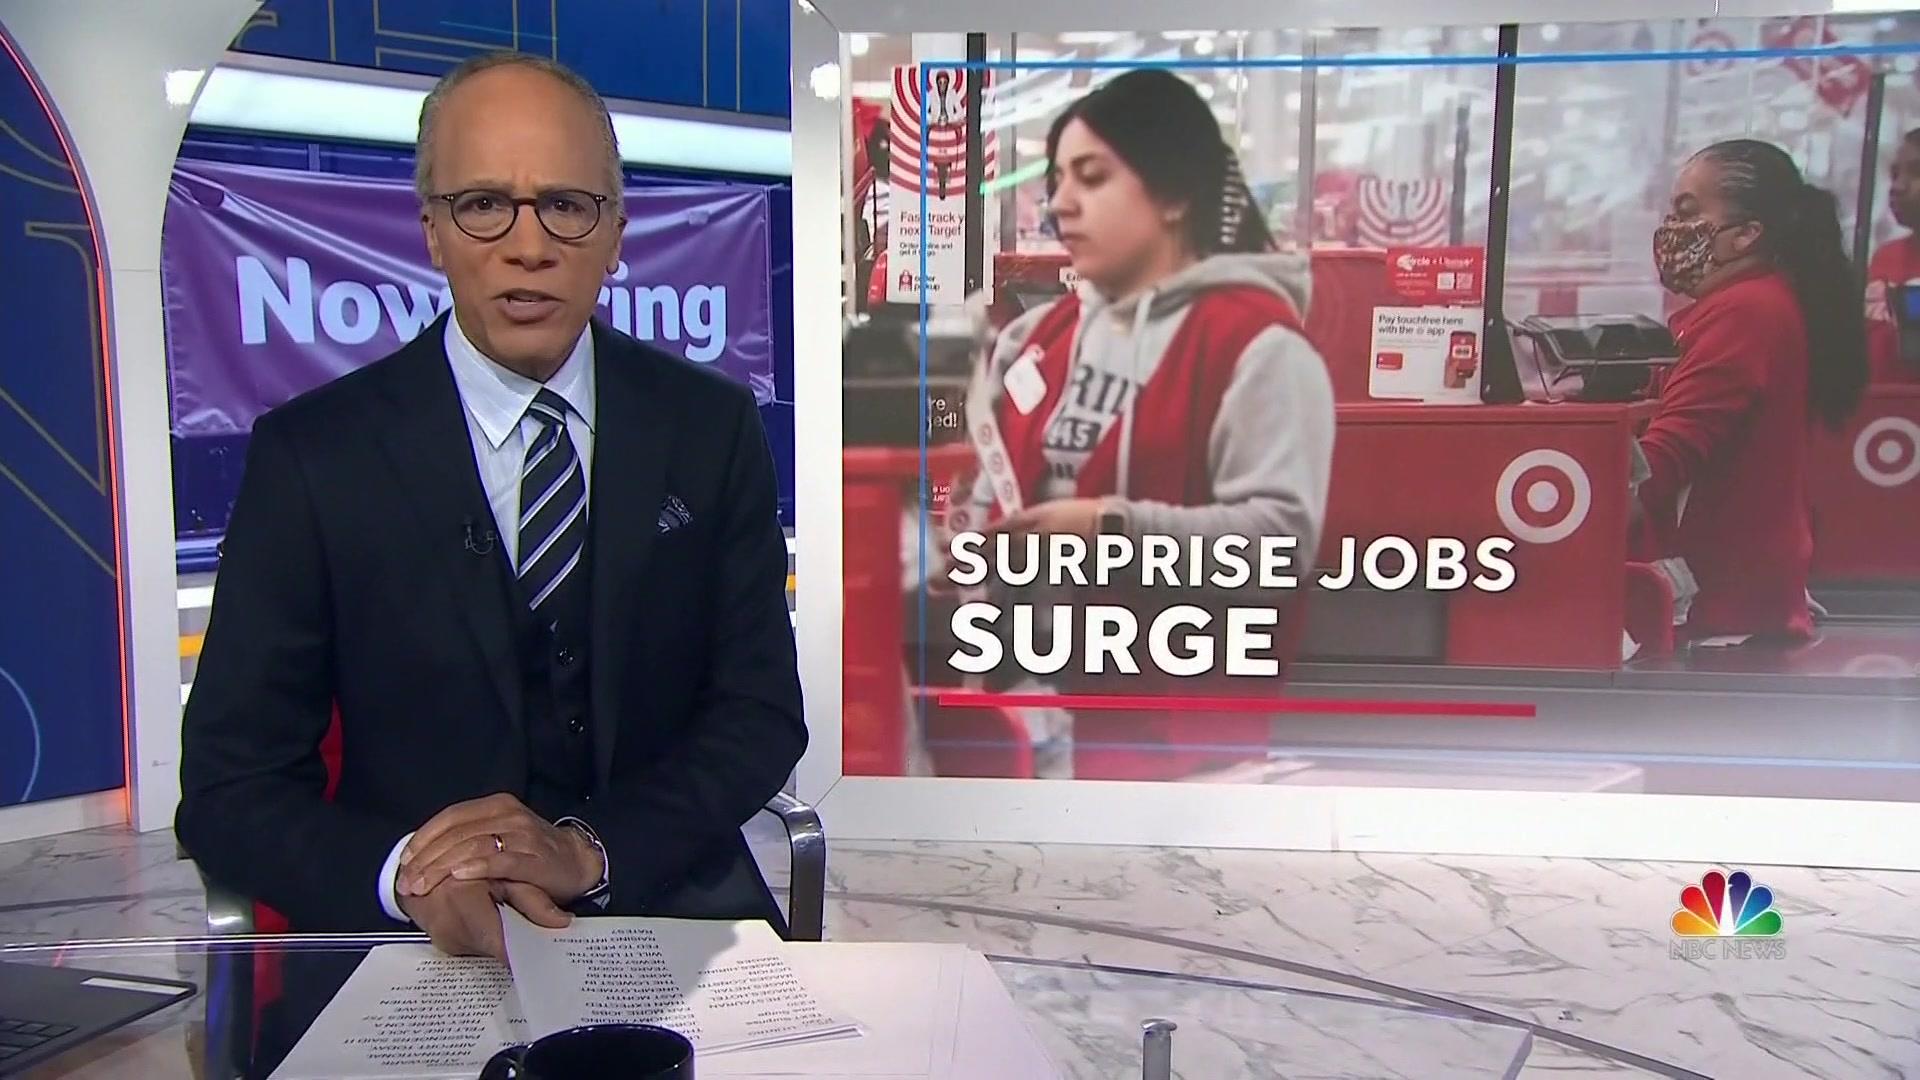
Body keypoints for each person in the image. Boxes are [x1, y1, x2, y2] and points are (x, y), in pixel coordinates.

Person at [176, 51, 805, 963]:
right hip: (416, 940)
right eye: (483, 204)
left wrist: (591, 851)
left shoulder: (711, 428)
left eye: (567, 205)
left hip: (665, 897)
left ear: (615, 231)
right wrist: (408, 874)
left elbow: (760, 714)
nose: (529, 246)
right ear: (432, 230)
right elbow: (230, 789)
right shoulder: (313, 457)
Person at [945, 69, 1335, 779]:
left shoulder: (1260, 349)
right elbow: (989, 492)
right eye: (1056, 180)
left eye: (1091, 178)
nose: (1060, 203)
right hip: (1025, 738)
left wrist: (1108, 528)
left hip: (1179, 761)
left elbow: (1279, 546)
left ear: (1175, 194)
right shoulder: (1036, 340)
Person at [1636, 138, 1867, 644]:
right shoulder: (1754, 302)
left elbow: (1667, 459)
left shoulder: (1746, 311)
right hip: (1739, 597)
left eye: (1687, 213)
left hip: (1721, 610)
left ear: (1746, 235)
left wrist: (1583, 495)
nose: (1670, 230)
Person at [1863, 127, 1920, 384]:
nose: (1897, 186)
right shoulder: (1886, 257)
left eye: (1917, 172)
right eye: (1895, 174)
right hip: (1879, 405)